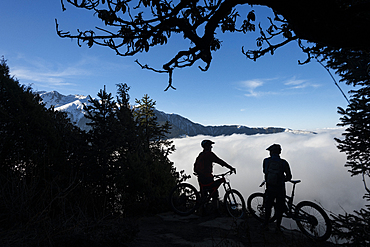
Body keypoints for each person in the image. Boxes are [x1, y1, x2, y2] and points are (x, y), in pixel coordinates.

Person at [193, 140, 236, 211]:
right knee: (214, 194)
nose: (211, 147)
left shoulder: (201, 154)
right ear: (207, 146)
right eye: (210, 145)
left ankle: (202, 211)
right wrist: (230, 167)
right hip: (207, 177)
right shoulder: (209, 154)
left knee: (204, 195)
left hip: (201, 177)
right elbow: (219, 161)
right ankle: (215, 211)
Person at [262, 144, 292, 232]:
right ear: (279, 152)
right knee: (280, 208)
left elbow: (265, 171)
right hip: (280, 188)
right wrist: (282, 179)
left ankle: (265, 225)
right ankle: (278, 227)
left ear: (271, 152)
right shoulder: (284, 162)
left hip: (270, 187)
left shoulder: (266, 161)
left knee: (268, 206)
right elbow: (289, 176)